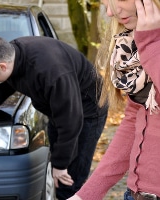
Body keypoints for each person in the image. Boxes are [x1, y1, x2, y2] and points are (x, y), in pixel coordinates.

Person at [0, 35, 108, 199]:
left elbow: (71, 121)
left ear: (2, 66)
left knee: (70, 177)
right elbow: (0, 87)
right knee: (59, 169)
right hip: (60, 110)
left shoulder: (52, 72)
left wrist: (61, 165)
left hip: (87, 110)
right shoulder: (12, 56)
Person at [68, 0, 160, 199]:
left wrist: (150, 43)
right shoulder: (133, 43)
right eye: (104, 4)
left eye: (118, 0)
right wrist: (87, 194)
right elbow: (133, 124)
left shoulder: (148, 43)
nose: (110, 12)